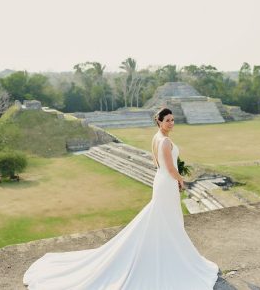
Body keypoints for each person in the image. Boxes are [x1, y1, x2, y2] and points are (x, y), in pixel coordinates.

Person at [23, 107, 219, 289]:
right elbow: (169, 167)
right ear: (159, 122)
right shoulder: (165, 141)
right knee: (168, 220)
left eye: (173, 120)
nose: (172, 123)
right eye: (168, 120)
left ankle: (167, 253)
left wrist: (173, 176)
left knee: (165, 220)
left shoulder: (156, 138)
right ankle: (169, 256)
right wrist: (181, 180)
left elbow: (158, 163)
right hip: (166, 183)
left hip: (161, 181)